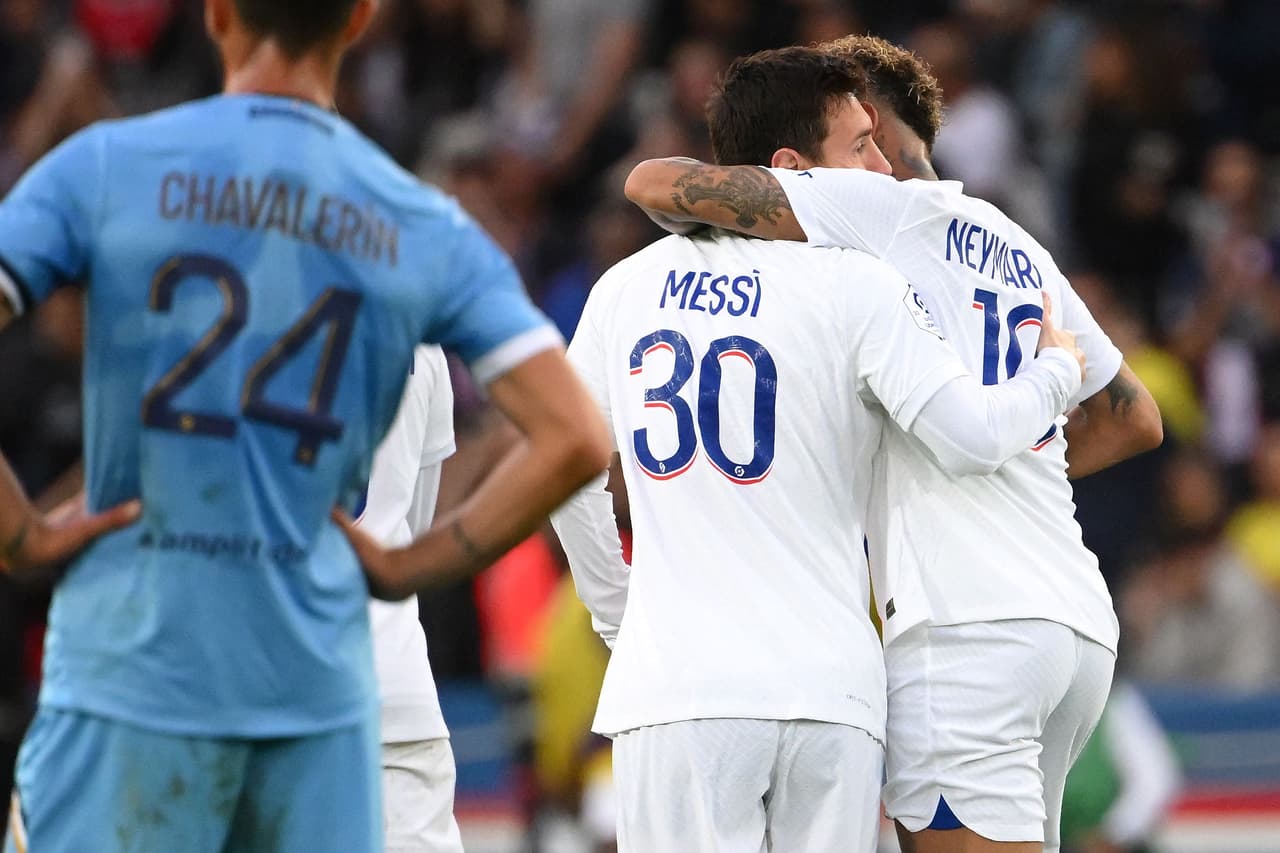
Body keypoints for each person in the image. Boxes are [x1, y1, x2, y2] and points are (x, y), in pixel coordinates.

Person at [0, 1, 611, 850]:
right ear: (360, 19)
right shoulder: (419, 226)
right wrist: (408, 566)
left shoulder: (106, 169)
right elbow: (578, 433)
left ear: (216, 14)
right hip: (328, 693)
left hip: (133, 677)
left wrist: (22, 533)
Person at [623, 35, 1163, 853]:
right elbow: (1135, 418)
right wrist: (1015, 451)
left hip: (965, 629)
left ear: (872, 119)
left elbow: (655, 183)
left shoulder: (875, 208)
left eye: (858, 126)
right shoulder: (1016, 244)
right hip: (1074, 625)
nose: (863, 149)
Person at [359, 345, 464, 853]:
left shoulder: (228, 309)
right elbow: (416, 526)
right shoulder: (420, 330)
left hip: (261, 683)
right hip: (395, 679)